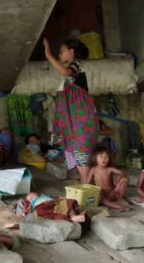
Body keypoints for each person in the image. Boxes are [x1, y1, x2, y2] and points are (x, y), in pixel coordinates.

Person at [43, 37, 98, 183]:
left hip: (81, 120)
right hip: (74, 122)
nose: (60, 55)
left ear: (71, 52)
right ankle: (85, 187)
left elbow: (66, 72)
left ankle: (86, 189)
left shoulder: (76, 65)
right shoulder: (71, 75)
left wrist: (48, 55)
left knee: (82, 155)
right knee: (77, 155)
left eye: (62, 51)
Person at [89, 145, 129, 211]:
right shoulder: (93, 169)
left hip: (113, 193)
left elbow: (123, 173)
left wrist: (119, 177)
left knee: (125, 179)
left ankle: (120, 198)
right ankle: (120, 207)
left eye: (106, 157)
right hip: (102, 195)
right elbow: (86, 183)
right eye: (101, 157)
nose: (103, 159)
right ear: (95, 158)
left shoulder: (109, 169)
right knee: (102, 200)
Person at [21, 192, 86, 224]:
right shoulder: (32, 203)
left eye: (32, 195)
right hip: (44, 207)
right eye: (30, 199)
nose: (31, 198)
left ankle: (73, 216)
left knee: (67, 202)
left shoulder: (43, 196)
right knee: (41, 212)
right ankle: (72, 218)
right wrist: (25, 212)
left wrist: (59, 199)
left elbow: (55, 198)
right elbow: (28, 209)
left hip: (54, 204)